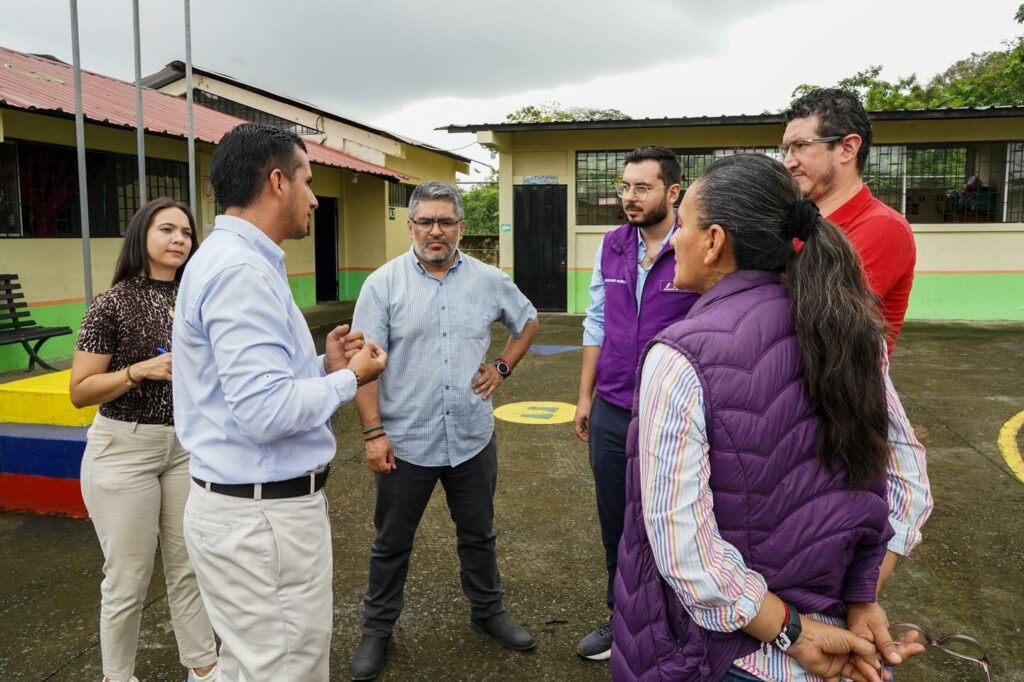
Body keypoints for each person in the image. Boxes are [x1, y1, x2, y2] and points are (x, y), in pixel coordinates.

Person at [611, 153, 932, 681]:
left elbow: (683, 545)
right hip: (843, 643)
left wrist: (795, 633)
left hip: (730, 658)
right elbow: (909, 484)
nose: (673, 242)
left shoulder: (679, 356)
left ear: (714, 241)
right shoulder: (851, 328)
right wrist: (860, 597)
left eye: (684, 226)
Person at [172, 123, 387, 682]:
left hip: (246, 508)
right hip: (261, 518)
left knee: (253, 664)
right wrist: (352, 379)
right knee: (283, 668)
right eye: (308, 181)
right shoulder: (241, 271)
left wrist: (323, 366)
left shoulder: (232, 259)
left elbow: (243, 387)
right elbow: (264, 413)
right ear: (276, 182)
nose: (315, 197)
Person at [349, 180, 540, 681]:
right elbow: (361, 364)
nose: (436, 231)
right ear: (410, 226)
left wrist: (501, 367)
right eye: (426, 221)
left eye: (446, 221)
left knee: (478, 535)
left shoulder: (488, 280)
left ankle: (488, 611)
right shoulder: (382, 285)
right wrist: (373, 433)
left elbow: (528, 323)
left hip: (471, 438)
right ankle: (377, 629)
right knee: (391, 543)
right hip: (404, 441)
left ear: (461, 227)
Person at [70, 197, 220, 682]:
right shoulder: (111, 302)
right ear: (142, 236)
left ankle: (203, 667)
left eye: (187, 232)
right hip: (124, 450)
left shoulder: (197, 297)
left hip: (184, 447)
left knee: (188, 567)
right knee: (128, 580)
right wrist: (139, 370)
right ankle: (118, 676)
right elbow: (80, 391)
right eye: (167, 230)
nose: (180, 239)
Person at [572, 145, 699, 660]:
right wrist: (585, 396)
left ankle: (681, 626)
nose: (628, 197)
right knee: (615, 520)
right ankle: (619, 617)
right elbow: (596, 320)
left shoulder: (696, 245)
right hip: (612, 406)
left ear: (672, 192)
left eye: (641, 187)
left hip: (674, 410)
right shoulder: (614, 244)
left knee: (676, 520)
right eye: (625, 187)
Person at [781, 88, 916, 353]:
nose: (788, 162)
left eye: (800, 146)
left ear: (847, 148)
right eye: (786, 149)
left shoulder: (883, 228)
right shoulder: (800, 222)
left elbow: (816, 323)